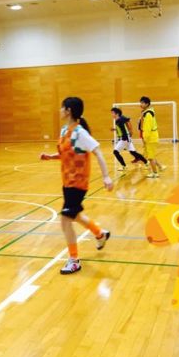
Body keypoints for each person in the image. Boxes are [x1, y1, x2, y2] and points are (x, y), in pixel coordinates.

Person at [40, 97, 113, 275]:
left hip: (78, 183)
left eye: (62, 108)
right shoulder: (65, 130)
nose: (60, 110)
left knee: (65, 220)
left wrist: (106, 176)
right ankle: (100, 234)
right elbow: (67, 154)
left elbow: (98, 152)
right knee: (76, 215)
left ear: (69, 111)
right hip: (67, 181)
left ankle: (74, 260)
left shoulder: (80, 133)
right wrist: (51, 157)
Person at [139, 96, 164, 178]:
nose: (141, 104)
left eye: (142, 103)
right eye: (140, 103)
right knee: (150, 156)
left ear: (147, 104)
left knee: (150, 157)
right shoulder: (148, 112)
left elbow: (147, 128)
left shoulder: (148, 114)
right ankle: (159, 167)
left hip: (150, 138)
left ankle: (155, 173)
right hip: (152, 137)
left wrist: (145, 138)